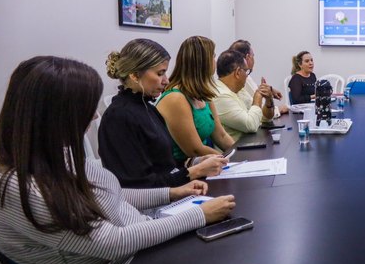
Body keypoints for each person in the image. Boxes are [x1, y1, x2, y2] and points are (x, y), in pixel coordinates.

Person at [0, 56, 235, 264]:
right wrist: (199, 215)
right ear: (55, 116)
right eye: (86, 109)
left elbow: (110, 194)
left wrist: (171, 193)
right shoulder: (26, 189)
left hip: (136, 257)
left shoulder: (48, 154)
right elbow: (113, 242)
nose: (95, 116)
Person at [99, 39, 226, 188]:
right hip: (150, 206)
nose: (166, 81)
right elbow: (138, 187)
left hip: (168, 192)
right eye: (160, 74)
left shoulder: (147, 108)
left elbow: (164, 164)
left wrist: (195, 162)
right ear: (134, 75)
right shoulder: (119, 117)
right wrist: (193, 172)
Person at [156, 36, 235, 165]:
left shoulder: (203, 94)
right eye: (213, 56)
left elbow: (221, 136)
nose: (215, 61)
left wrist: (238, 153)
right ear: (202, 62)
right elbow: (195, 150)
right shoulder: (175, 98)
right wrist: (226, 160)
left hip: (202, 164)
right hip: (181, 169)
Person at [213, 50, 270, 139]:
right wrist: (258, 98)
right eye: (246, 72)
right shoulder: (221, 95)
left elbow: (261, 117)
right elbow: (251, 125)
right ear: (238, 72)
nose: (247, 76)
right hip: (237, 150)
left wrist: (269, 101)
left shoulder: (237, 90)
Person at [230, 39, 287, 119]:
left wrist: (269, 89)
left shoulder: (244, 75)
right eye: (253, 56)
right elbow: (257, 113)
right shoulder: (240, 78)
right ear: (248, 57)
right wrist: (278, 110)